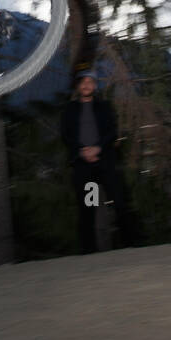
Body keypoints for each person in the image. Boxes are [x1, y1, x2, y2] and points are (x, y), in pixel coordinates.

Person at [60, 66, 138, 254]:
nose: (86, 85)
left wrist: (98, 148)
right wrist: (82, 151)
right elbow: (66, 135)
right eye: (83, 82)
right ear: (78, 86)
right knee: (90, 206)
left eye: (90, 82)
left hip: (105, 163)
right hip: (85, 167)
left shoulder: (104, 107)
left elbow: (112, 131)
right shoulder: (71, 109)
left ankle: (132, 245)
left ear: (95, 86)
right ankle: (89, 251)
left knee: (119, 202)